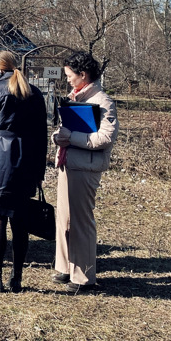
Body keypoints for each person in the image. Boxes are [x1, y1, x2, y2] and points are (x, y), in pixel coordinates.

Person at [0, 50, 47, 293]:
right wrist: (39, 170)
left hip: (0, 162)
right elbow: (42, 133)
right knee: (20, 221)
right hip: (27, 161)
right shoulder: (35, 93)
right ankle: (17, 278)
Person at [52, 51, 118, 292]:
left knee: (80, 221)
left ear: (83, 74)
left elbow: (105, 138)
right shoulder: (74, 96)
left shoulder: (103, 101)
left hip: (85, 167)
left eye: (70, 74)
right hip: (67, 163)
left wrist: (71, 138)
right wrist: (58, 137)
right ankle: (64, 267)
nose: (67, 78)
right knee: (64, 219)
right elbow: (65, 129)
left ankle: (83, 277)